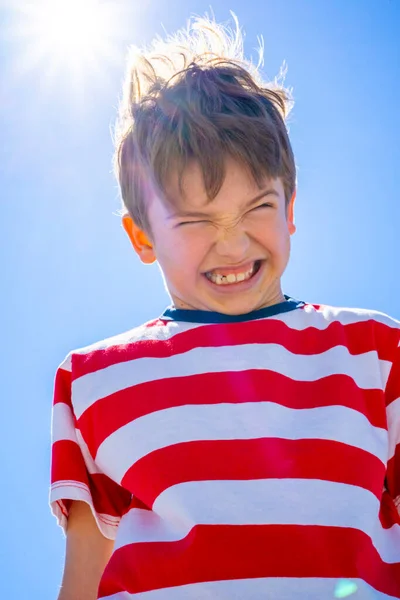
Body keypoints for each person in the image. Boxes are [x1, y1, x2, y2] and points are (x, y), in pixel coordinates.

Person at [49, 14, 400, 600]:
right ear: (142, 237)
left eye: (258, 207)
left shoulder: (377, 353)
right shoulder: (91, 381)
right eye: (195, 221)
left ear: (289, 208)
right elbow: (85, 576)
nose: (233, 244)